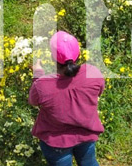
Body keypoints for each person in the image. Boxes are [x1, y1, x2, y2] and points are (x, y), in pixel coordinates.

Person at [29, 31, 105, 166]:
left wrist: (38, 74)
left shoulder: (42, 85)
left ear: (53, 59)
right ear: (79, 53)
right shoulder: (93, 73)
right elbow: (99, 92)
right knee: (89, 163)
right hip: (86, 134)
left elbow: (33, 101)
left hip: (56, 141)